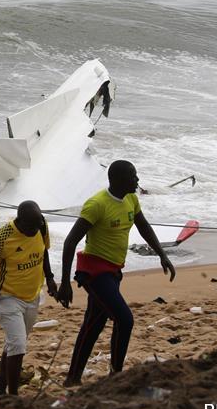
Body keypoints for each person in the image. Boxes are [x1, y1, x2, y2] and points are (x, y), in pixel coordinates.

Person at [57, 160, 176, 386]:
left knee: (93, 324)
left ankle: (72, 378)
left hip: (113, 271)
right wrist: (64, 283)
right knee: (125, 319)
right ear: (119, 180)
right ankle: (116, 375)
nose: (138, 180)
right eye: (133, 176)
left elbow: (143, 226)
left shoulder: (131, 199)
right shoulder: (97, 205)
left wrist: (162, 254)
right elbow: (71, 242)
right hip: (93, 272)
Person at [0, 200, 57, 396]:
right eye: (30, 228)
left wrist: (50, 278)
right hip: (6, 296)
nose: (35, 231)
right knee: (18, 344)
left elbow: (44, 252)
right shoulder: (2, 238)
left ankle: (0, 390)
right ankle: (13, 395)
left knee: (14, 343)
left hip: (32, 295)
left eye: (37, 226)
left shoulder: (41, 227)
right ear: (20, 222)